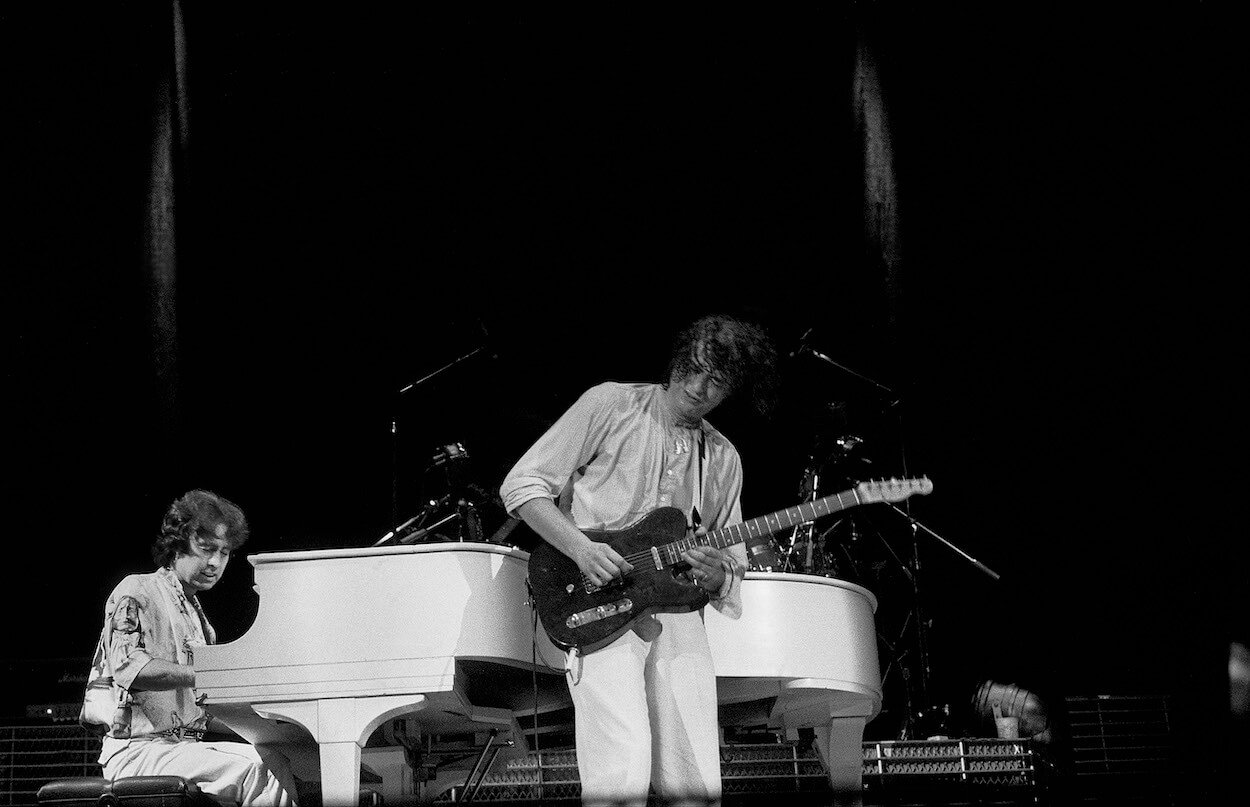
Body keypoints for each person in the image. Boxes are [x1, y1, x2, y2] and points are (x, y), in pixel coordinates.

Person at [500, 314, 778, 806]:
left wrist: (720, 573)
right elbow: (522, 485)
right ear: (676, 364)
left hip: (676, 610)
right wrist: (582, 549)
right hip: (596, 601)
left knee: (695, 776)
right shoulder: (611, 402)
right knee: (621, 763)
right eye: (693, 369)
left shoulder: (723, 456)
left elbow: (731, 555)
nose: (698, 387)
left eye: (716, 381)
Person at [84, 489, 299, 806]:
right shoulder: (136, 589)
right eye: (206, 549)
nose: (215, 562)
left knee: (275, 760)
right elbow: (131, 668)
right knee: (255, 769)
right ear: (178, 544)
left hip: (180, 749)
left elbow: (198, 714)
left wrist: (273, 726)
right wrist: (210, 673)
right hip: (136, 750)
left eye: (224, 553)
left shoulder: (201, 622)